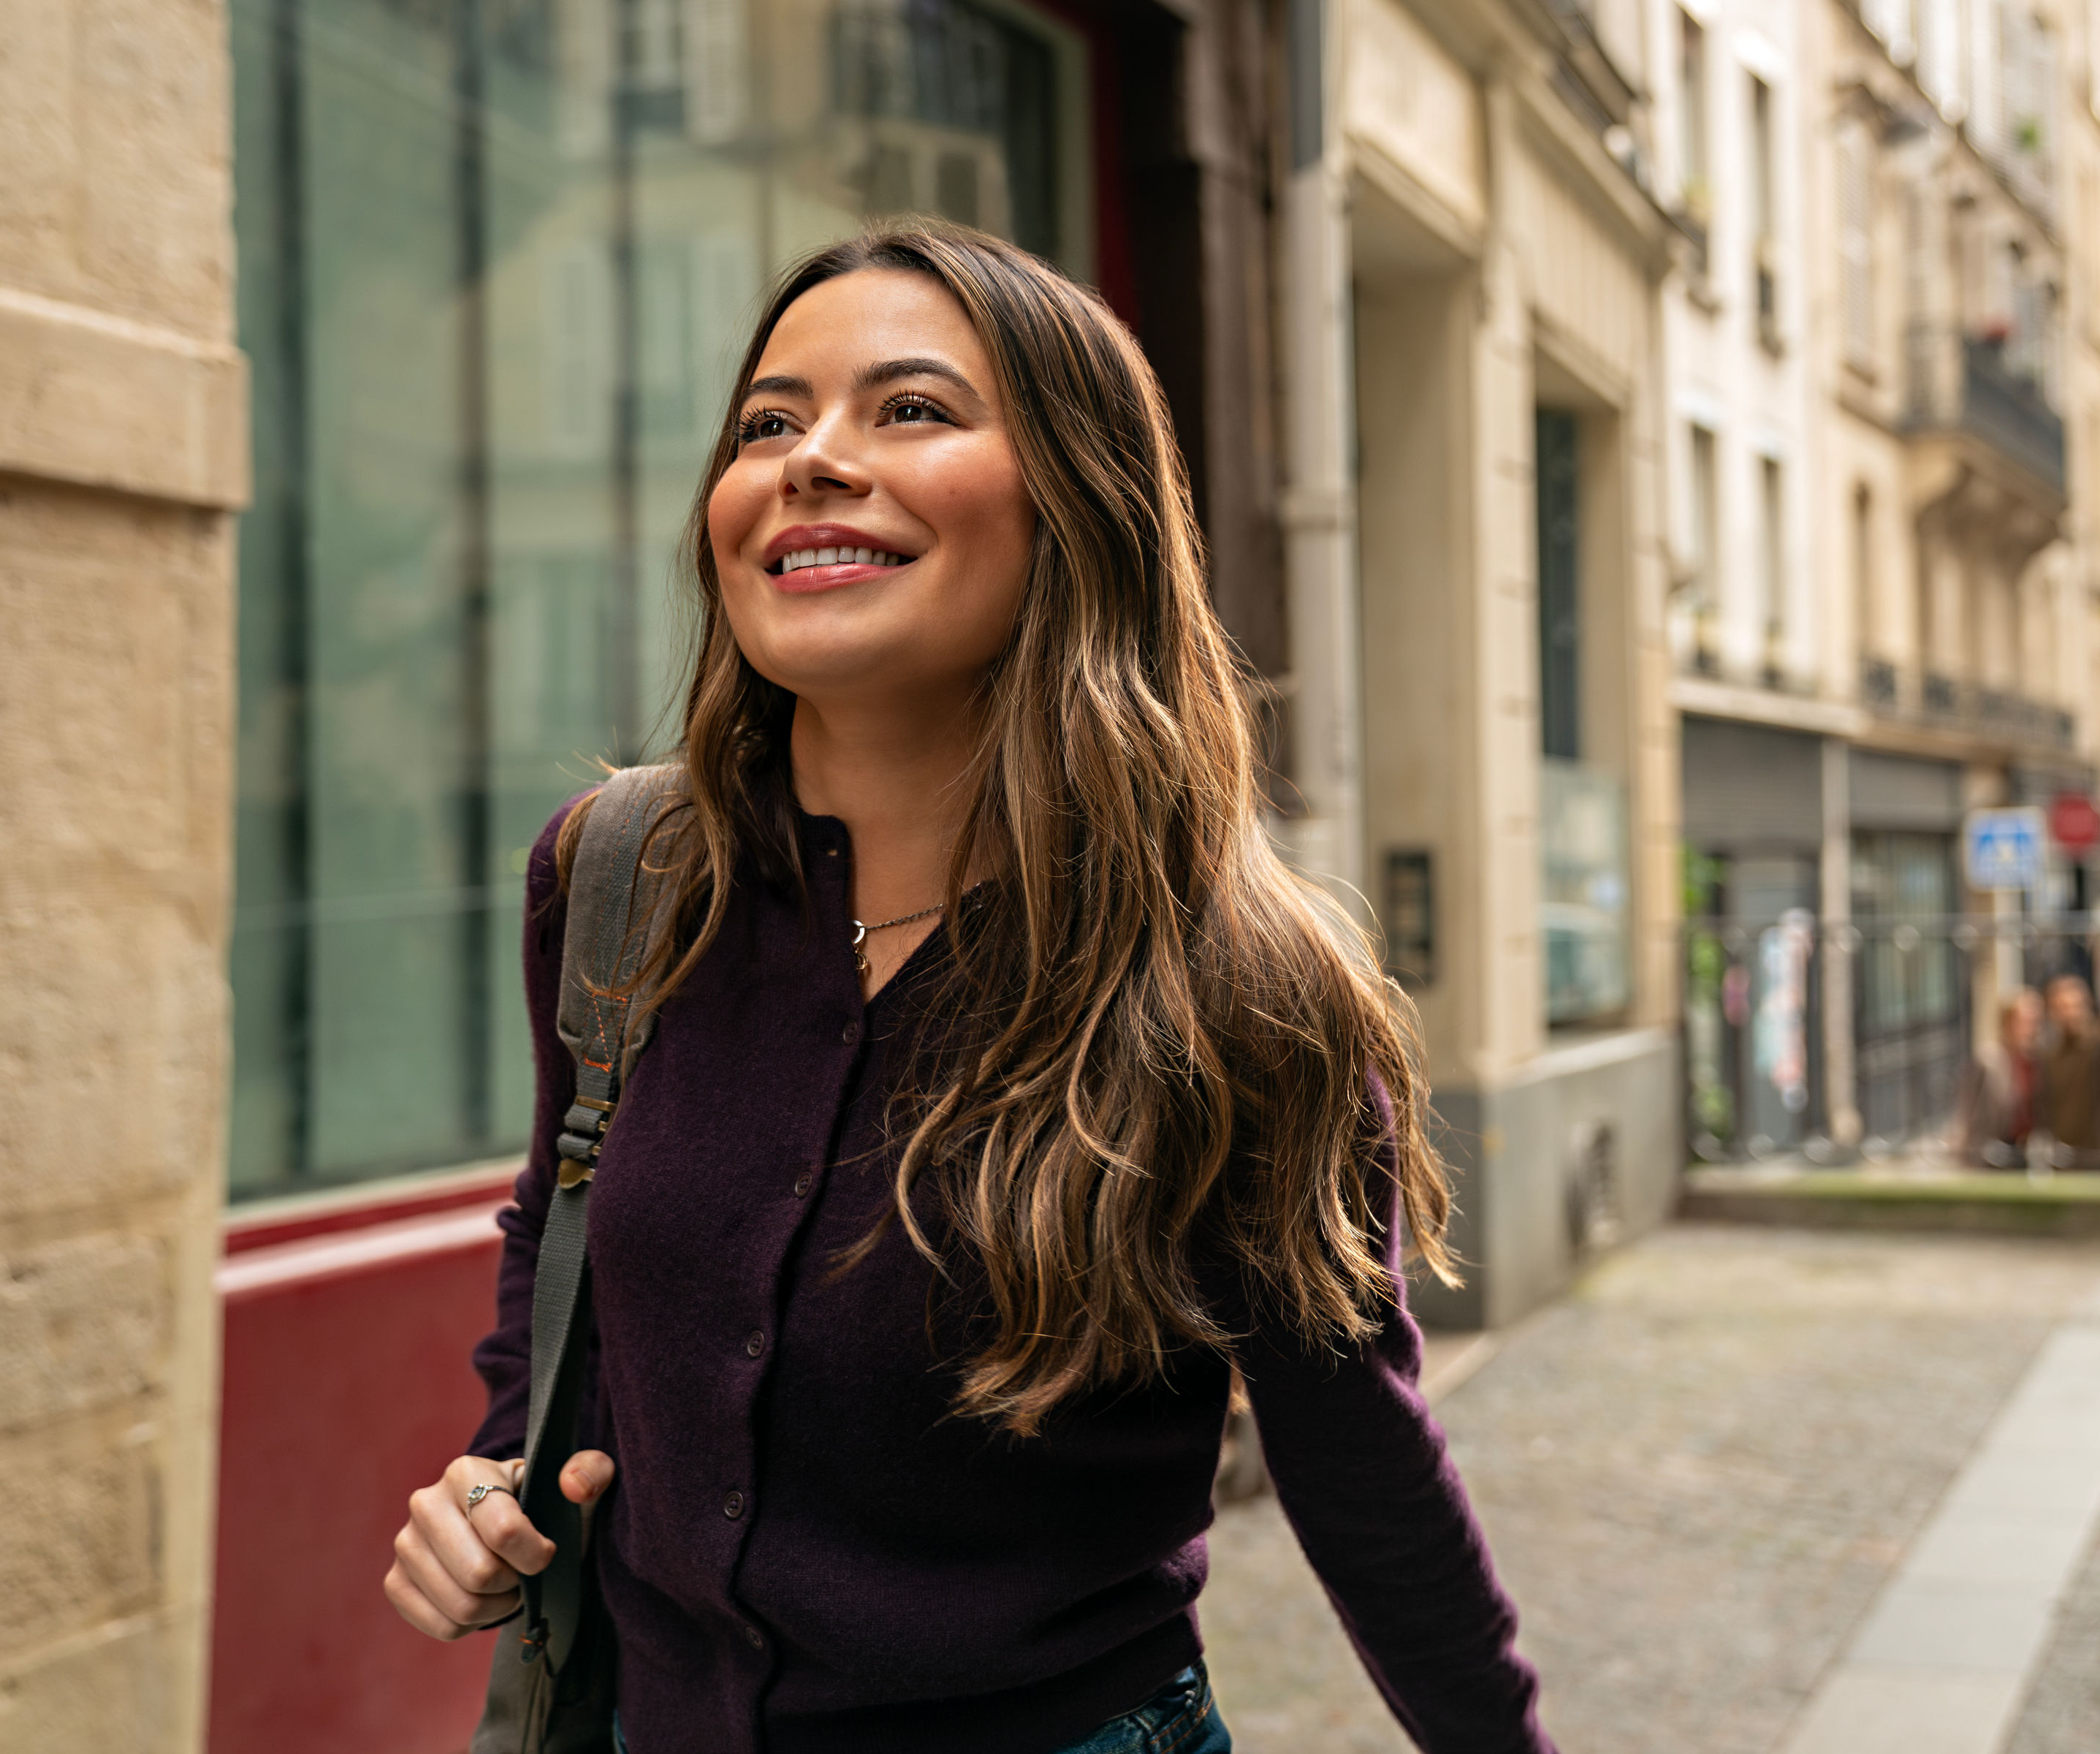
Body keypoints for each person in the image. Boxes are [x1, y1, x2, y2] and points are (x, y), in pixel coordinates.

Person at [381, 224, 1554, 1754]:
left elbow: (1363, 1468)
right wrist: (495, 1482)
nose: (813, 460)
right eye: (769, 422)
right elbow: (566, 1229)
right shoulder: (617, 876)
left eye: (912, 410)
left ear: (1076, 501)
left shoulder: (1238, 990)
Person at [2041, 974, 2100, 1169]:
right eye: (2061, 1008)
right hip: (2063, 1160)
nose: (2069, 1014)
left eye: (2073, 1006)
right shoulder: (2050, 1054)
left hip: (2098, 1157)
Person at [1952, 990, 2043, 1168]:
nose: (2030, 1029)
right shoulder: (1988, 1059)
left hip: (2021, 1149)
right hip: (1989, 1150)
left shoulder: (2034, 1060)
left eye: (2034, 1023)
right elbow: (1967, 1108)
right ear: (2007, 1022)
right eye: (2024, 1022)